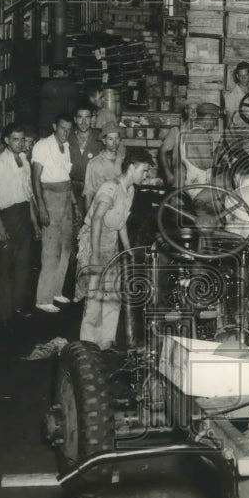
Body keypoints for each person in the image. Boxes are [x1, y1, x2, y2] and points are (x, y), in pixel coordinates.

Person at [79, 147, 155, 349]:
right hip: (95, 239)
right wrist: (94, 254)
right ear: (132, 168)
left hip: (111, 240)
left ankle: (106, 340)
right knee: (95, 294)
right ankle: (87, 342)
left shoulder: (129, 190)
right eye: (144, 171)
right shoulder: (110, 188)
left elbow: (120, 221)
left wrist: (128, 249)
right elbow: (96, 219)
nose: (146, 176)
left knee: (112, 293)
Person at [0, 123, 42, 324]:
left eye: (22, 139)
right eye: (15, 139)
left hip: (24, 216)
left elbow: (29, 197)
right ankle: (3, 314)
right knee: (5, 266)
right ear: (6, 140)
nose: (20, 143)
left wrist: (35, 223)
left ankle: (17, 306)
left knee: (23, 265)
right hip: (5, 217)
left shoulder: (25, 162)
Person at [31, 113, 78, 313]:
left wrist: (74, 204)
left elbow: (66, 178)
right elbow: (35, 179)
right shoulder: (42, 146)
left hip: (66, 198)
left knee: (66, 248)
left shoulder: (66, 146)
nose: (65, 133)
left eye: (68, 129)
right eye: (62, 128)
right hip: (50, 198)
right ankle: (43, 299)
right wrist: (41, 206)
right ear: (54, 126)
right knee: (50, 250)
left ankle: (56, 291)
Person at [76, 122, 126, 300]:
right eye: (110, 139)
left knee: (115, 258)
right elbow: (88, 192)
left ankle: (109, 294)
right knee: (96, 256)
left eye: (116, 138)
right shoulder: (94, 164)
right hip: (100, 216)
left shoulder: (123, 159)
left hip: (118, 217)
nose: (114, 142)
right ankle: (90, 296)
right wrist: (88, 221)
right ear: (104, 141)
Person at [159, 102, 223, 189]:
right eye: (214, 120)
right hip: (197, 182)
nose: (215, 124)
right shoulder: (199, 134)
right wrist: (220, 150)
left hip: (190, 179)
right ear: (208, 117)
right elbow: (207, 163)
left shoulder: (189, 132)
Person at [68, 106, 98, 216]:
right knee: (73, 222)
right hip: (71, 188)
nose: (84, 122)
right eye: (80, 117)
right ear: (75, 119)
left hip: (93, 187)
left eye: (87, 117)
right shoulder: (68, 137)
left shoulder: (100, 138)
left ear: (92, 119)